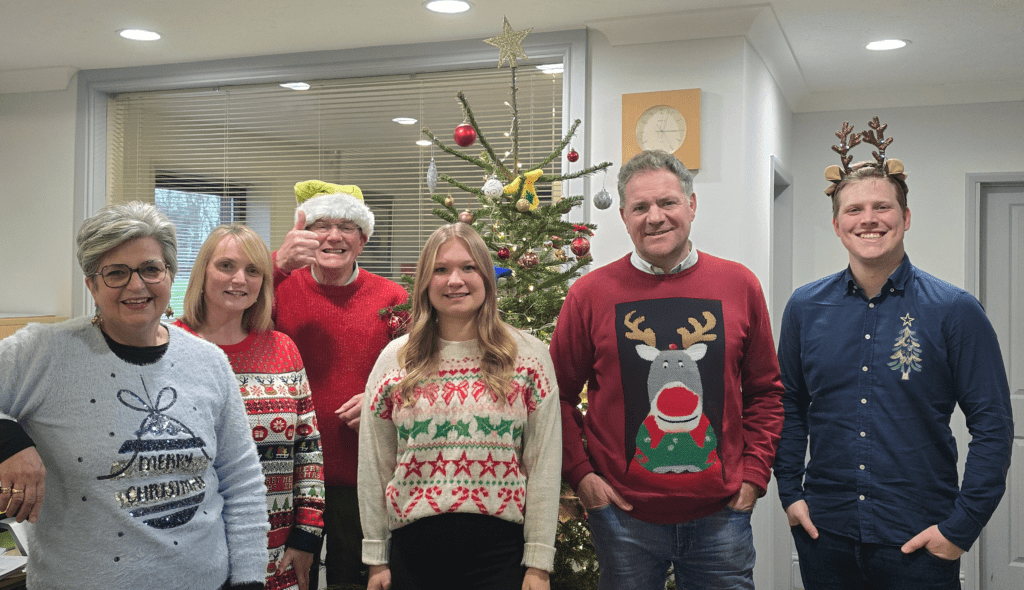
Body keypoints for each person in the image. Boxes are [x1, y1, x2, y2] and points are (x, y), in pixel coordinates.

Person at [773, 118, 1014, 590]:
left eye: (882, 206)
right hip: (826, 536)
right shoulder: (805, 307)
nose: (869, 219)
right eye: (854, 209)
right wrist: (788, 491)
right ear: (837, 225)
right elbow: (789, 404)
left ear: (905, 217)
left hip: (919, 541)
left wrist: (961, 527)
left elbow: (993, 425)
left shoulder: (954, 310)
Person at [0, 201, 269, 589]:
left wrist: (249, 578)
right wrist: (9, 441)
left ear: (170, 274)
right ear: (92, 285)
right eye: (116, 273)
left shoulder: (209, 361)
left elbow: (241, 482)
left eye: (150, 269)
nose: (136, 285)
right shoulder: (44, 352)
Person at [550, 149, 784, 590]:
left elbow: (766, 392)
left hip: (721, 518)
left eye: (667, 203)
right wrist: (581, 477)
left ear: (691, 206)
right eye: (640, 207)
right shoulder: (589, 294)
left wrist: (754, 477)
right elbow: (555, 395)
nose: (654, 217)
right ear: (624, 217)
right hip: (622, 520)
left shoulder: (739, 285)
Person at [357, 223, 561, 590]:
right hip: (412, 556)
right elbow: (375, 464)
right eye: (441, 269)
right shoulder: (395, 360)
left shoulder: (528, 357)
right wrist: (376, 557)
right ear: (425, 281)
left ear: (486, 277)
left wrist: (538, 564)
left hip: (501, 558)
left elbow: (543, 464)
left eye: (468, 267)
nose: (455, 280)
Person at [175, 224, 325, 590]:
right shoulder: (170, 347)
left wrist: (307, 535)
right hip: (188, 552)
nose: (240, 279)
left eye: (253, 270)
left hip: (274, 551)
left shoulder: (283, 350)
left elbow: (308, 448)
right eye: (226, 265)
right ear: (202, 273)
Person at [273, 180, 408, 585]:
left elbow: (418, 373)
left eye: (347, 227)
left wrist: (380, 398)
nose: (333, 236)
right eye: (321, 226)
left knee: (353, 580)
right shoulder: (277, 290)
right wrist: (278, 264)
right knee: (290, 579)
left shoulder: (392, 297)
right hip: (291, 475)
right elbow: (231, 320)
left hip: (362, 475)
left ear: (362, 240)